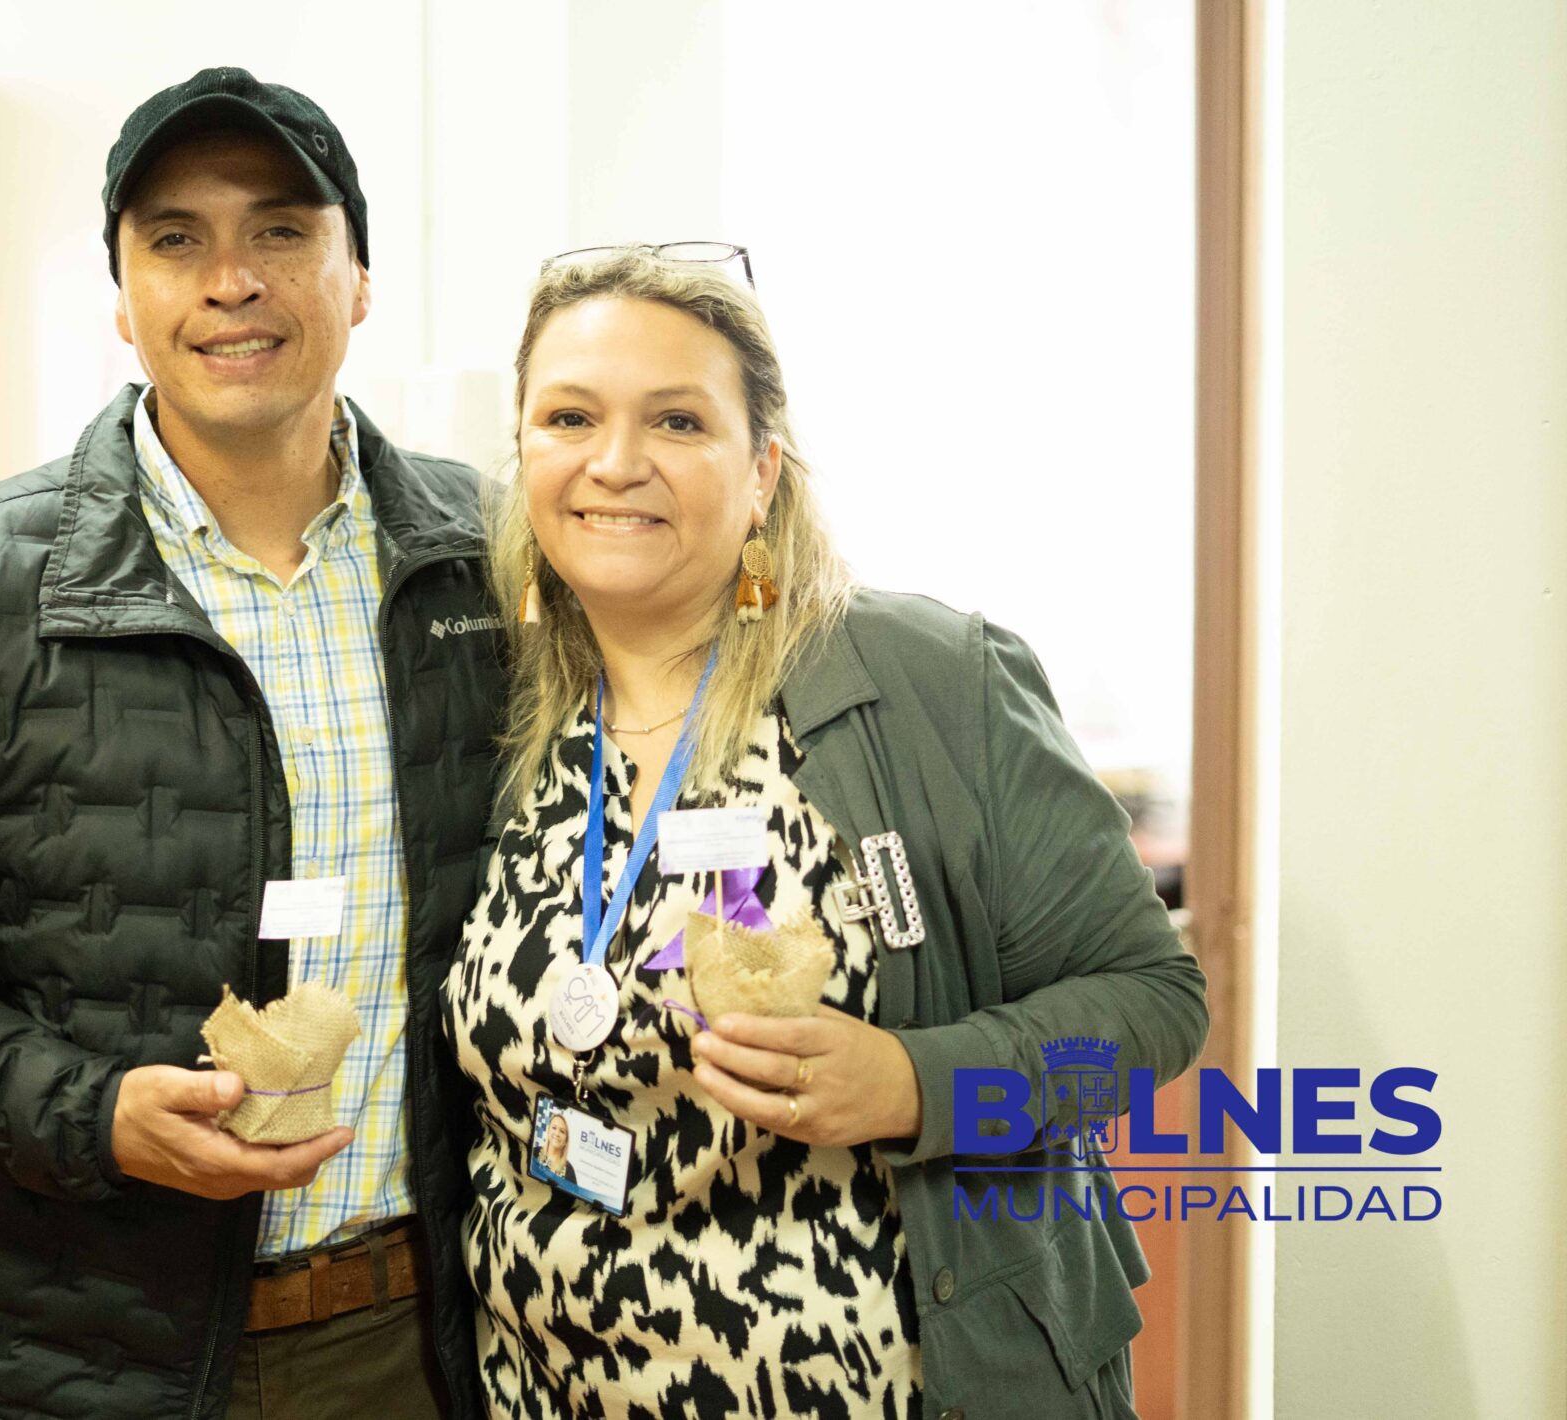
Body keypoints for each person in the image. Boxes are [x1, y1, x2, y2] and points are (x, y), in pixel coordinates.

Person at [0, 67, 503, 1420]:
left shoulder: (486, 561)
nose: (231, 282)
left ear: (359, 281)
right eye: (176, 239)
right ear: (122, 296)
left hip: (421, 1343)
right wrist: (90, 1115)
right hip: (82, 1356)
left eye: (281, 231)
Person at [443, 247, 1210, 1419]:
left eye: (677, 420)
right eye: (569, 417)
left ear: (761, 473)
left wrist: (914, 1081)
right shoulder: (499, 718)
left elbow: (1153, 1009)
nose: (614, 461)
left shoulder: (930, 680)